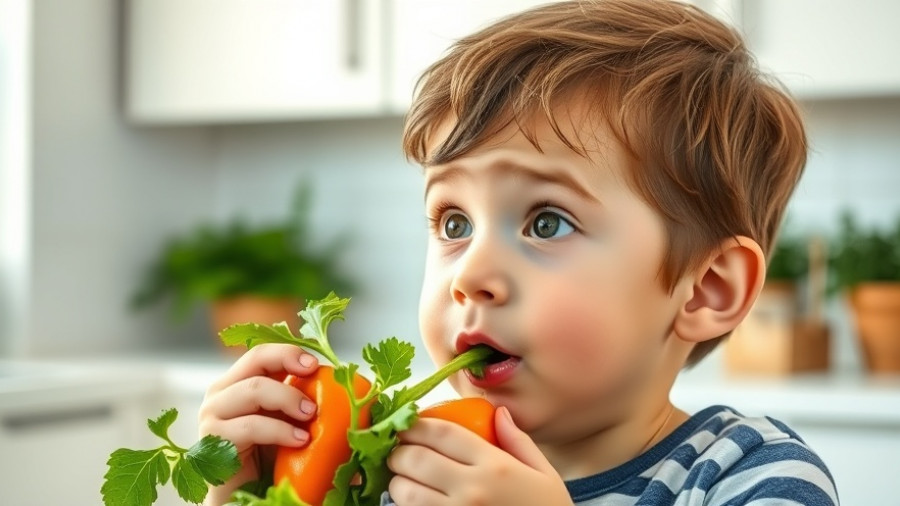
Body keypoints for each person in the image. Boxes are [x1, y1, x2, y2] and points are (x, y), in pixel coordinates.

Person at [199, 0, 839, 504]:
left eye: (547, 223)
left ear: (706, 289)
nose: (470, 274)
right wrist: (246, 495)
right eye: (453, 223)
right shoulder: (396, 472)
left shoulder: (750, 474)